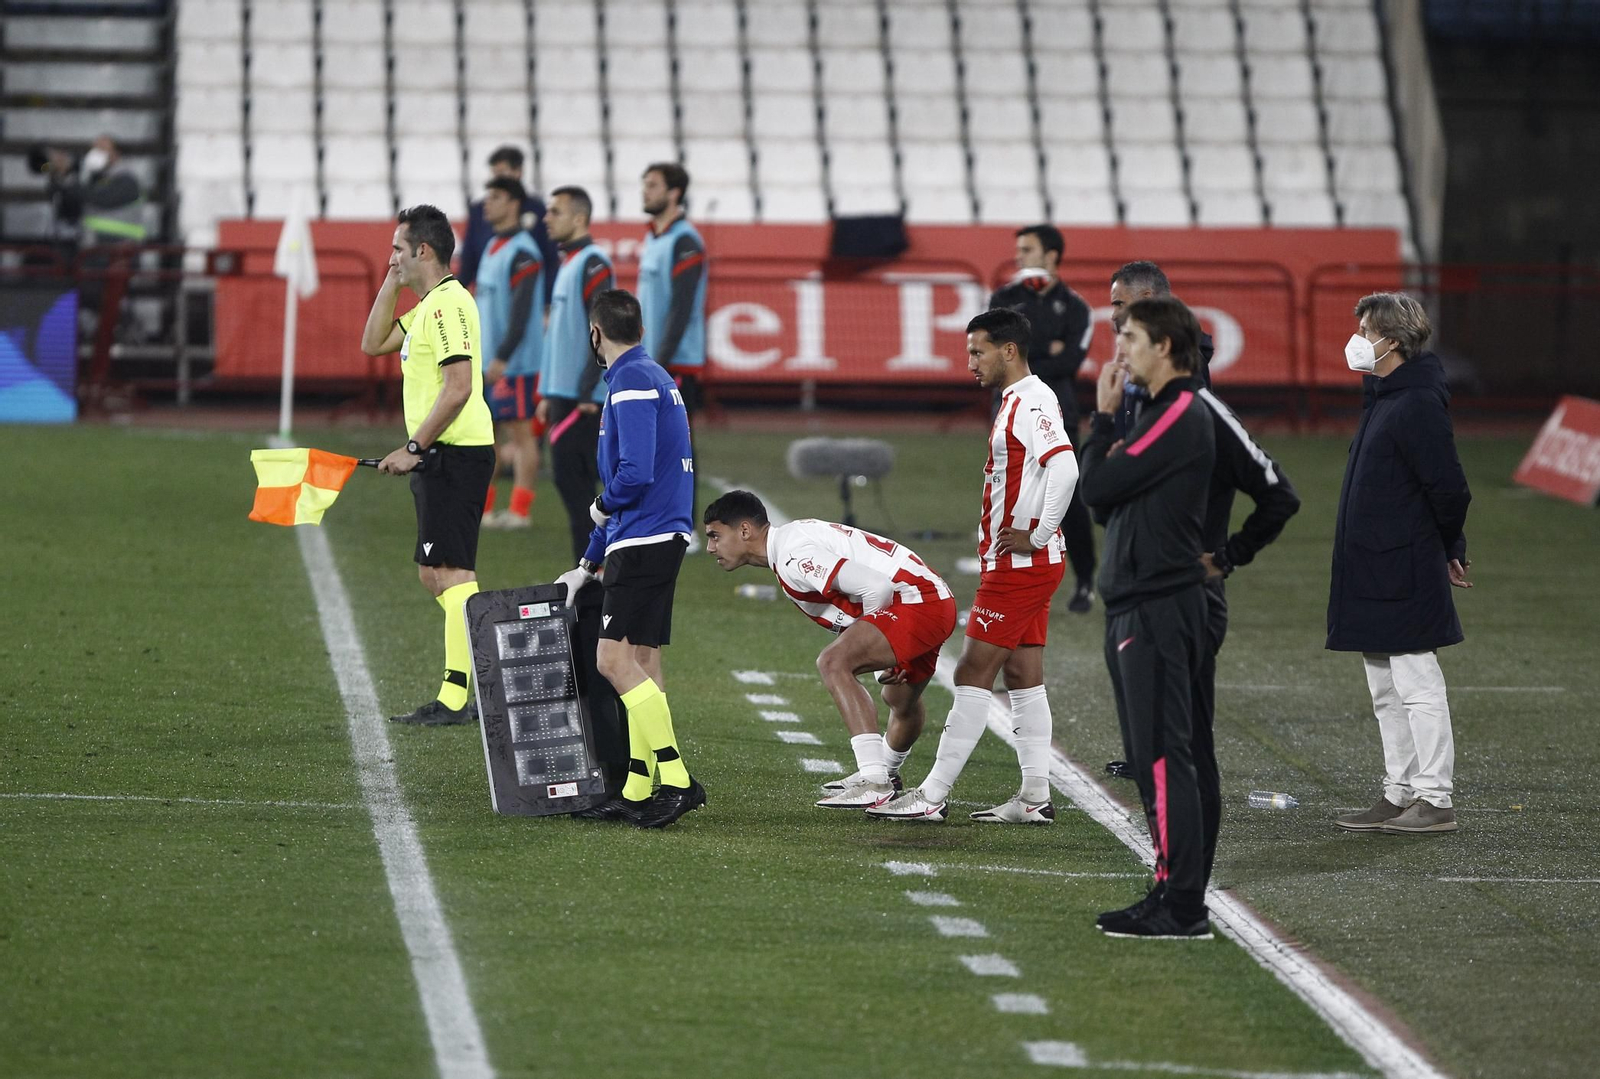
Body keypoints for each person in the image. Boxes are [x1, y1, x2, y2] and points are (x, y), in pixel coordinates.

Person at [868, 308, 1078, 825]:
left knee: (971, 672)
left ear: (1009, 350)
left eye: (978, 351)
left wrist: (1040, 532)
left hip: (1020, 564)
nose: (971, 363)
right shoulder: (1018, 401)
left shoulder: (1031, 401)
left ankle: (932, 794)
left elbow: (1066, 466)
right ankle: (1034, 797)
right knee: (1023, 673)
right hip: (1024, 562)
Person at [1079, 296, 1216, 939]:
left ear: (1161, 340)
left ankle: (1182, 901)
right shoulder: (1173, 409)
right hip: (1149, 593)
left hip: (1161, 600)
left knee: (1165, 757)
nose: (1118, 343)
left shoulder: (1186, 410)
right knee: (1162, 755)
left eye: (1125, 328)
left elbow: (1099, 493)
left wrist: (1103, 424)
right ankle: (1176, 893)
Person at [703, 491, 956, 810]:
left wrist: (882, 655)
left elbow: (876, 588)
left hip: (916, 601)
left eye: (715, 536)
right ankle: (888, 774)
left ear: (744, 530)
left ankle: (875, 780)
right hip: (929, 598)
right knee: (900, 700)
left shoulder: (794, 554)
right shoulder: (790, 545)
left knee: (834, 662)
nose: (711, 547)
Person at [553, 289, 702, 829]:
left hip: (644, 540)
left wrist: (598, 505)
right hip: (652, 538)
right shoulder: (655, 376)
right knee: (643, 662)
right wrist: (587, 565)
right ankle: (639, 786)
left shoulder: (632, 382)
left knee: (612, 662)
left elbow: (631, 477)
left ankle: (678, 779)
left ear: (596, 334)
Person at [1329, 292, 1471, 836]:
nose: (1358, 341)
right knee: (1385, 688)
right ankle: (1401, 791)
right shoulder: (1386, 396)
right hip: (1372, 565)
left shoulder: (1414, 402)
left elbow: (1448, 486)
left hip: (1405, 564)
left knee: (1417, 682)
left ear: (1393, 340)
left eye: (1366, 330)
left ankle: (1435, 798)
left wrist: (1450, 547)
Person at [358, 204, 497, 726]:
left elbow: (459, 388)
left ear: (423, 250)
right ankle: (490, 655)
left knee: (453, 572)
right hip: (439, 454)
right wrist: (390, 284)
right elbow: (372, 343)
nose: (391, 256)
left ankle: (457, 696)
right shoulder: (429, 305)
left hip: (454, 452)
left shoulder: (449, 306)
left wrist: (413, 448)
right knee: (432, 575)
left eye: (397, 249)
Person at [989, 224, 1097, 613]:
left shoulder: (1076, 306)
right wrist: (1047, 348)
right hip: (1010, 411)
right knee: (1006, 497)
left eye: (1027, 248)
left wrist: (1026, 353)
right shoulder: (1003, 297)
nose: (1018, 255)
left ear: (1052, 255)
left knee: (1068, 497)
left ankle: (1085, 579)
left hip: (1058, 409)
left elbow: (1071, 360)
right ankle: (1006, 580)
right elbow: (996, 356)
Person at [540, 186, 616, 561]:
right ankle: (590, 573)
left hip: (580, 397)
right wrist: (546, 392)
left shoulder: (592, 263)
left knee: (579, 490)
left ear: (579, 218)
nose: (546, 218)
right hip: (563, 393)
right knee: (575, 489)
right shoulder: (570, 263)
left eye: (555, 211)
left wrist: (588, 391)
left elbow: (601, 331)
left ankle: (592, 573)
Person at [637, 162, 708, 533]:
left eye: (652, 185)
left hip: (675, 362)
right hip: (652, 359)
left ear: (674, 193)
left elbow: (681, 309)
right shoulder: (654, 238)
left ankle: (686, 525)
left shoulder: (685, 242)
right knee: (651, 444)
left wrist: (658, 362)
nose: (645, 191)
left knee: (677, 445)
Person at [475, 176, 546, 530]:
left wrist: (502, 356)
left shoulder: (523, 251)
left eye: (496, 196)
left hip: (514, 363)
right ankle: (485, 508)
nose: (488, 203)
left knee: (520, 434)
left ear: (514, 204)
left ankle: (520, 510)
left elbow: (521, 313)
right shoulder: (492, 246)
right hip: (489, 360)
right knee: (486, 434)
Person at [1107, 260, 1212, 439]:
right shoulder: (1140, 355)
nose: (1114, 314)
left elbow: (1185, 437)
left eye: (1120, 304)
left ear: (1146, 298)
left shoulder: (1178, 362)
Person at [456, 145, 556, 298]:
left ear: (518, 172)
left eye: (502, 172)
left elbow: (550, 258)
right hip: (488, 293)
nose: (497, 179)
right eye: (494, 173)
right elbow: (469, 258)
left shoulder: (537, 210)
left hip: (528, 292)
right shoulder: (479, 211)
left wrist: (547, 300)